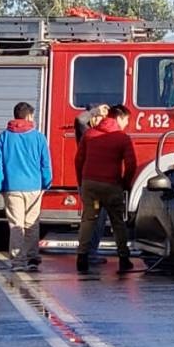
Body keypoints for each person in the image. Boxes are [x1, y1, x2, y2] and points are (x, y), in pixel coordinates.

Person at [75, 104, 137, 274]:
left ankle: (82, 256)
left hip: (91, 185)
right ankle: (124, 259)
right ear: (119, 118)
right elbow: (131, 165)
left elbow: (78, 160)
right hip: (111, 186)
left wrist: (82, 182)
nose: (126, 124)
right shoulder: (122, 138)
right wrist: (125, 183)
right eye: (126, 120)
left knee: (89, 219)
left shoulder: (89, 134)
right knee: (117, 222)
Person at [0, 101, 51, 272]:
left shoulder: (3, 137)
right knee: (31, 224)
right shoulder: (39, 137)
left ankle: (18, 262)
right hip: (34, 187)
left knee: (15, 224)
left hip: (12, 187)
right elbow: (45, 164)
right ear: (28, 116)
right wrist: (46, 182)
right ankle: (33, 258)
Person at [73, 104, 110, 265]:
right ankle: (88, 252)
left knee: (99, 219)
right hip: (90, 183)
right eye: (97, 117)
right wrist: (95, 111)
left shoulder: (97, 133)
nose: (99, 120)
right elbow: (80, 119)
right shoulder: (85, 132)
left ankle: (91, 251)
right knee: (93, 218)